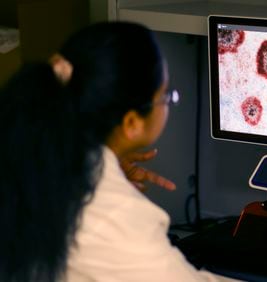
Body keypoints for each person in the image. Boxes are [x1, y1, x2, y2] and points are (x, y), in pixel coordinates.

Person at [0, 22, 236, 282]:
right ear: (132, 123)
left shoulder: (25, 155)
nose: (168, 102)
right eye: (166, 95)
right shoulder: (114, 212)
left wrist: (106, 171)